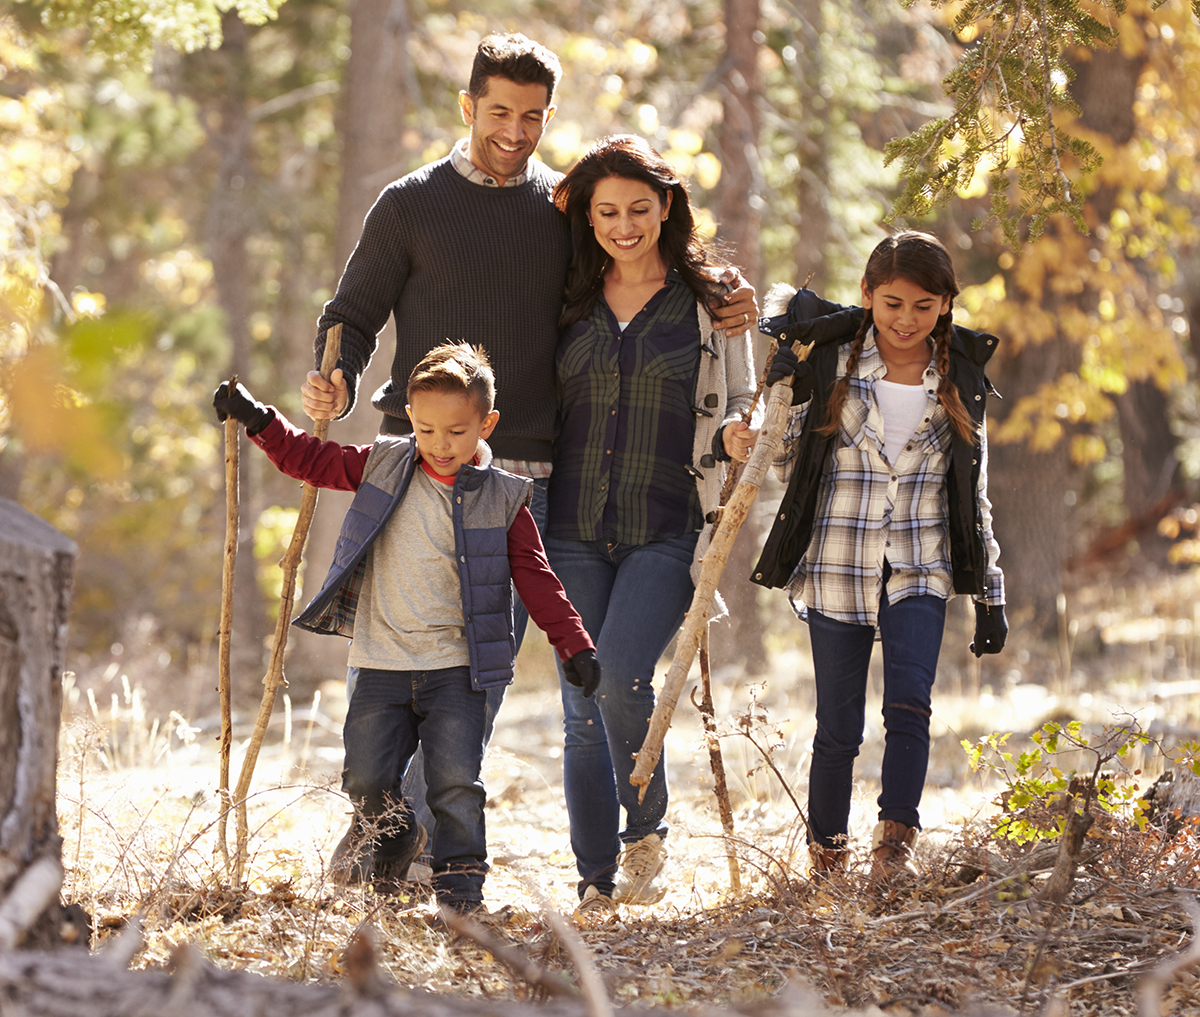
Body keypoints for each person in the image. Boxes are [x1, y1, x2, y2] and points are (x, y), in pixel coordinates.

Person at [300, 33, 758, 859]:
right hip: (414, 465)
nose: (515, 130)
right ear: (468, 105)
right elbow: (353, 314)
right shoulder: (408, 203)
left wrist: (726, 294)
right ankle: (378, 822)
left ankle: (405, 842)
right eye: (500, 111)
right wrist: (332, 372)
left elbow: (642, 263)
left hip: (527, 478)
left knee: (483, 671)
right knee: (404, 656)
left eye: (534, 116)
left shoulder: (562, 209)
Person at [214, 343, 600, 914]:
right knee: (365, 779)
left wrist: (574, 643)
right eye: (425, 429)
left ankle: (462, 892)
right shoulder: (385, 464)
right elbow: (312, 460)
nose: (440, 445)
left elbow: (536, 577)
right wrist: (257, 418)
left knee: (454, 785)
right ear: (410, 421)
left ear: (486, 424)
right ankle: (394, 837)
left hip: (458, 670)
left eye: (456, 431)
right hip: (380, 663)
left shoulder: (504, 497)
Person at [751, 231, 1008, 880]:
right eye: (892, 302)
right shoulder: (833, 361)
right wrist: (781, 392)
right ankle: (827, 854)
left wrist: (991, 592)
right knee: (838, 724)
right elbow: (784, 464)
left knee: (910, 706)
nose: (906, 319)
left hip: (921, 565)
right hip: (838, 562)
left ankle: (895, 847)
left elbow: (973, 490)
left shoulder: (960, 378)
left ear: (946, 304)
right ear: (867, 295)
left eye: (924, 306)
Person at [546, 135, 759, 917]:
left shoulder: (711, 301)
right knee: (579, 703)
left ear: (666, 206)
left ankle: (646, 826)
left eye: (639, 207)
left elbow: (745, 395)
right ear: (591, 217)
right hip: (569, 525)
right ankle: (595, 878)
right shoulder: (566, 293)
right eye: (607, 210)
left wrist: (741, 429)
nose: (624, 224)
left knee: (624, 673)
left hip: (667, 525)